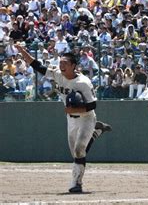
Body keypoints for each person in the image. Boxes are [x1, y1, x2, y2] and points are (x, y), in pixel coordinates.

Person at [15, 44, 111, 193]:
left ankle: (76, 184)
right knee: (76, 153)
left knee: (79, 151)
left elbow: (92, 105)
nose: (61, 66)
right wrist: (22, 51)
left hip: (86, 118)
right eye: (60, 63)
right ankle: (97, 131)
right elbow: (37, 66)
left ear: (74, 66)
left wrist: (74, 109)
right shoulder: (58, 74)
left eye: (65, 63)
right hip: (71, 119)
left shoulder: (83, 82)